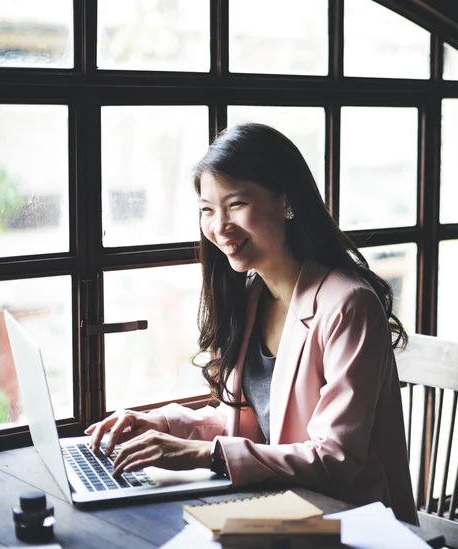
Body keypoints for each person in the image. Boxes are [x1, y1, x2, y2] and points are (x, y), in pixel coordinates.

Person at [85, 122, 417, 524]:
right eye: (207, 209)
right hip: (282, 510)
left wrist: (200, 454)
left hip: (351, 521)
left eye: (236, 204)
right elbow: (251, 426)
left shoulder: (348, 305)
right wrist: (163, 424)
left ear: (286, 202)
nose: (219, 226)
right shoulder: (252, 295)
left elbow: (335, 458)